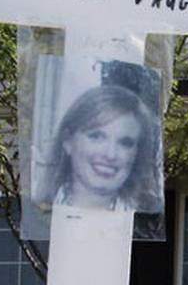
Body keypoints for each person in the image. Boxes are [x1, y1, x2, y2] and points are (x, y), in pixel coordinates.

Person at [40, 83, 162, 217]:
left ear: (137, 153)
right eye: (96, 136)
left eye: (125, 143)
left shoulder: (148, 223)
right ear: (67, 141)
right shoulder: (36, 212)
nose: (110, 154)